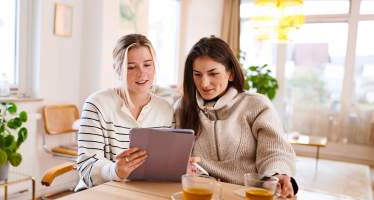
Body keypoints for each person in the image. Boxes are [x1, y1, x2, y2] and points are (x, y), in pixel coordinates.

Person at [175, 36, 298, 198]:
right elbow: (175, 155)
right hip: (201, 193)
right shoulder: (183, 107)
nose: (204, 83)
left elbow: (274, 150)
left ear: (231, 73)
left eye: (213, 74)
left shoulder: (256, 105)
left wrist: (278, 174)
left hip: (245, 194)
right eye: (197, 75)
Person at [75, 34, 174, 190]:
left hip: (146, 192)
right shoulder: (97, 104)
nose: (142, 74)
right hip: (101, 192)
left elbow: (165, 163)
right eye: (131, 67)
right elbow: (86, 167)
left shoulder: (165, 109)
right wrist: (115, 171)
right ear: (117, 68)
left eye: (147, 65)